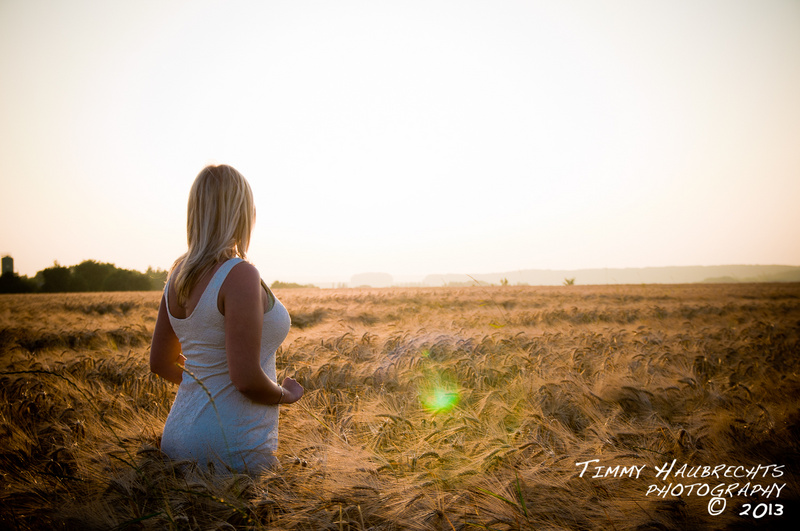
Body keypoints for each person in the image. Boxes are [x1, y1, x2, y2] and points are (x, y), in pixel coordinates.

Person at [149, 164, 303, 474]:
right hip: (229, 443)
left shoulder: (178, 276)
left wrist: (206, 381)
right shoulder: (240, 274)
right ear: (243, 212)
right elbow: (245, 378)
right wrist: (285, 395)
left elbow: (160, 362)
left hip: (178, 436)